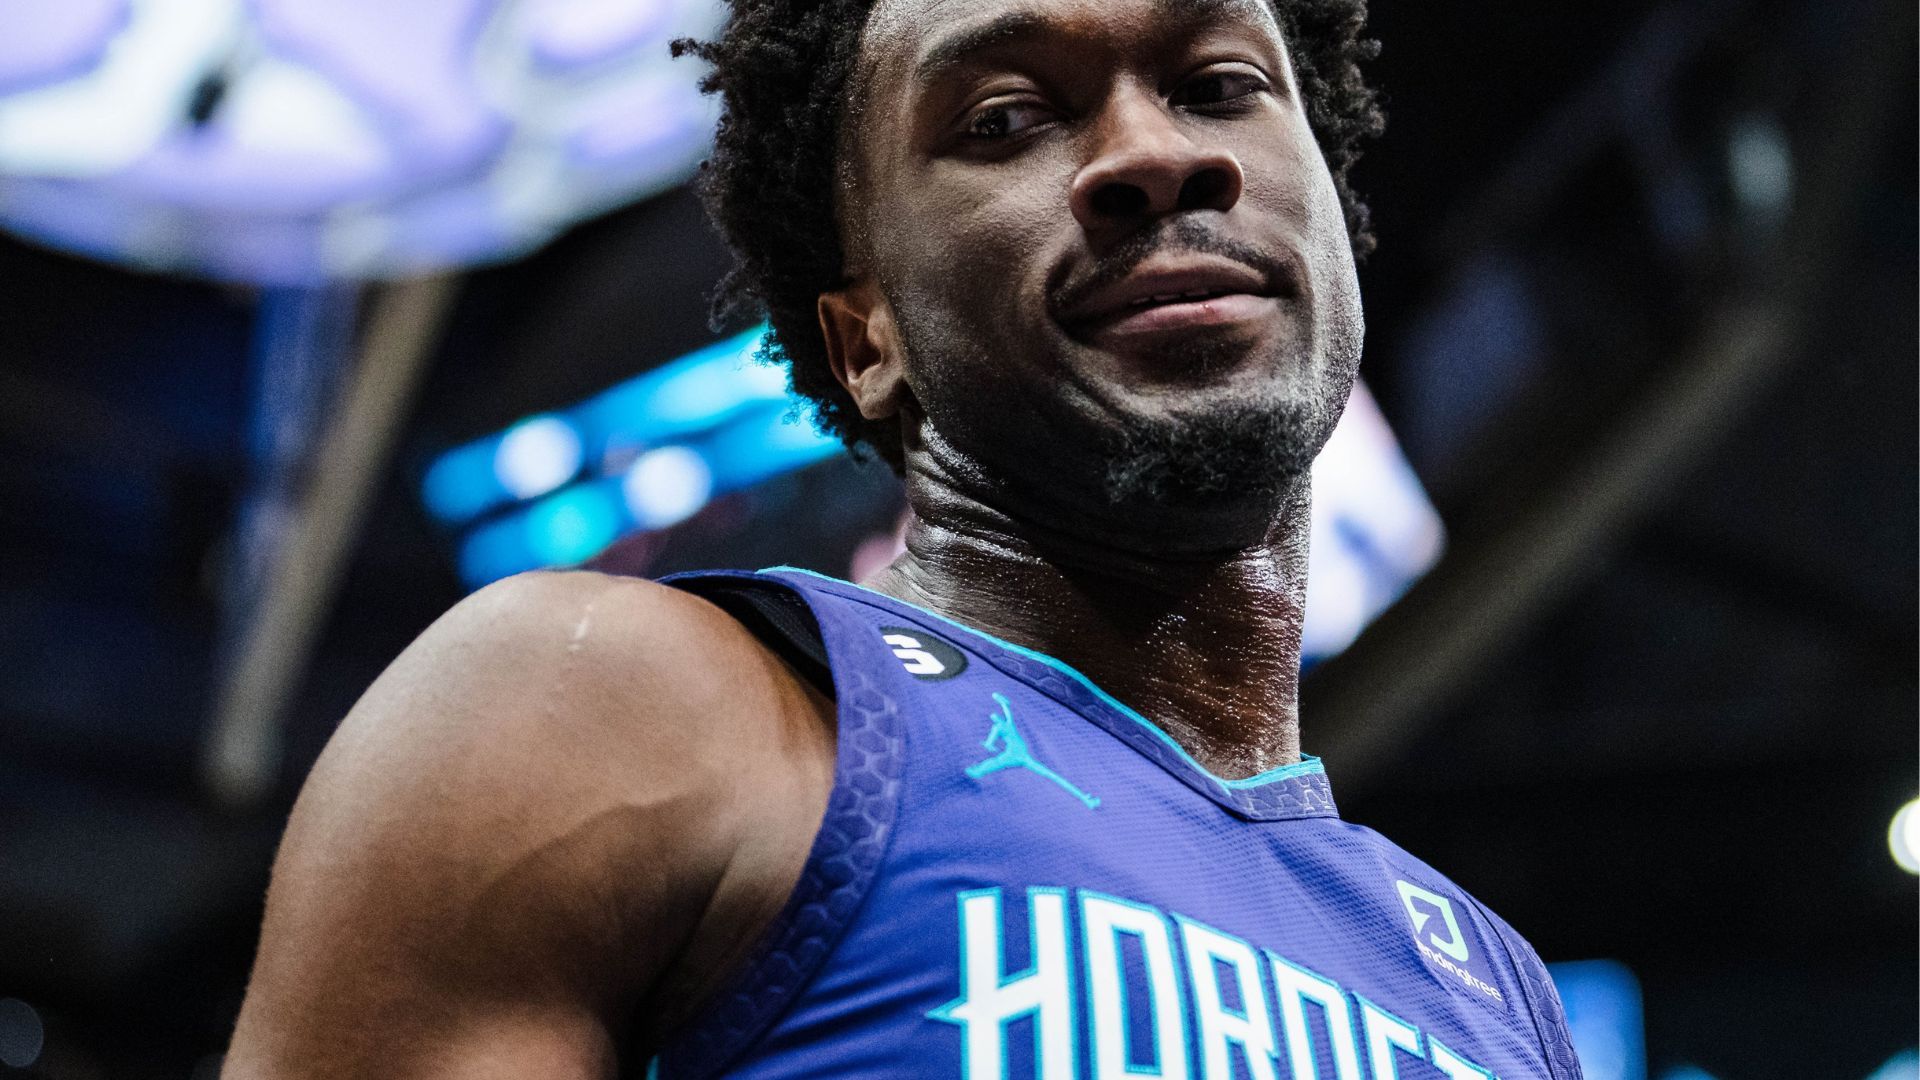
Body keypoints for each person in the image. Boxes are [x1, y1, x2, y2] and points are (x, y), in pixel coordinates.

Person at [225, 0, 1586, 1076]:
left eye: (1220, 84)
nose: (1158, 155)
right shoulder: (608, 703)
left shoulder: (1500, 999)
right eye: (1006, 118)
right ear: (863, 341)